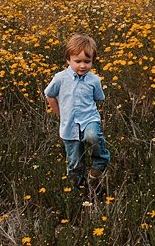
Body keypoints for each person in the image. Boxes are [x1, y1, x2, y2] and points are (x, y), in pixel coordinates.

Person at [44, 33, 109, 193]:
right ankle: (79, 191)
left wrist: (96, 119)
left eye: (87, 62)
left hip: (89, 119)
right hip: (69, 126)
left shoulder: (94, 80)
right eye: (77, 61)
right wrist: (60, 115)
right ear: (68, 60)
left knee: (93, 136)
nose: (82, 66)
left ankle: (99, 163)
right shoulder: (60, 78)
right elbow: (49, 94)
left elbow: (98, 99)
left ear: (93, 61)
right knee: (74, 163)